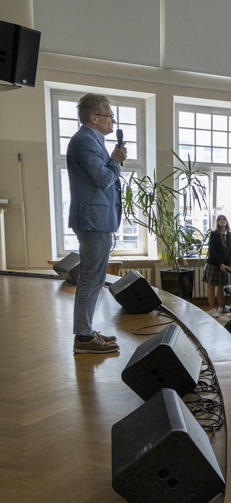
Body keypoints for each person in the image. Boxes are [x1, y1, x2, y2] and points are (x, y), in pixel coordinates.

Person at [68, 93, 127, 354]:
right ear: (94, 117)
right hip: (93, 222)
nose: (112, 120)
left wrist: (113, 158)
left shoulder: (94, 140)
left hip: (98, 221)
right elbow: (102, 179)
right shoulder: (84, 141)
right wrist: (116, 159)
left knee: (94, 278)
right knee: (91, 279)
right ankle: (83, 338)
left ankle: (86, 330)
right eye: (109, 115)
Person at [204, 214, 231, 318]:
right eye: (219, 220)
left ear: (226, 221)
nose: (222, 221)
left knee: (221, 287)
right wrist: (220, 264)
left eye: (224, 219)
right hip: (213, 263)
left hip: (224, 265)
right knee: (211, 287)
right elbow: (211, 251)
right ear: (217, 222)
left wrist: (226, 265)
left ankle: (222, 307)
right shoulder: (214, 234)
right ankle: (212, 309)